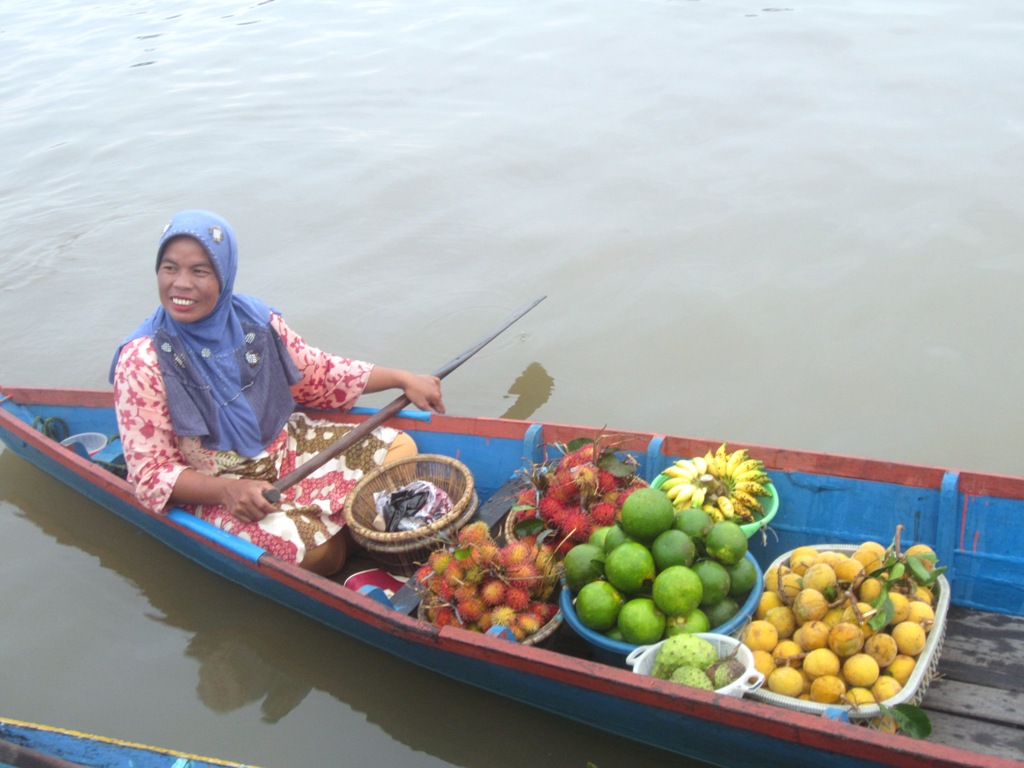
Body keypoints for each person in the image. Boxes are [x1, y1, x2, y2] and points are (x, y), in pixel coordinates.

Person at [110, 209, 445, 576]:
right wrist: (225, 492)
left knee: (402, 450)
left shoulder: (256, 321)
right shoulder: (142, 360)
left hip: (286, 451)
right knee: (317, 556)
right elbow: (151, 474)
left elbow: (316, 374)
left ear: (224, 274)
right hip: (218, 489)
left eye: (199, 271)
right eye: (169, 268)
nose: (180, 284)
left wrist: (402, 378)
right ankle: (354, 534)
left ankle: (345, 529)